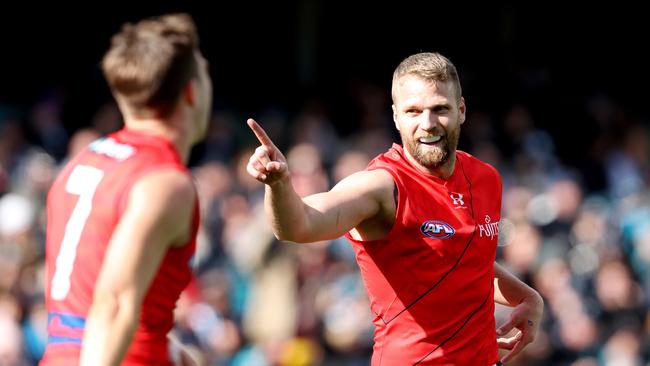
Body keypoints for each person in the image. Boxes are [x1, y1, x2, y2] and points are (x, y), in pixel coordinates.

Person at [246, 52, 543, 365]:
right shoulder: (382, 187)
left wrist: (527, 296)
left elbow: (467, 262)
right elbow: (299, 225)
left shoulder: (486, 178)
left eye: (439, 109)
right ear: (396, 117)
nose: (427, 124)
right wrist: (278, 185)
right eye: (413, 111)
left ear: (461, 110)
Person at [40, 13, 211, 365]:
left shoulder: (83, 162)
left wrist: (167, 349)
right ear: (192, 92)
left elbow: (86, 298)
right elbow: (114, 305)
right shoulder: (165, 183)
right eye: (206, 72)